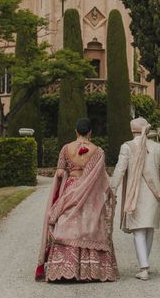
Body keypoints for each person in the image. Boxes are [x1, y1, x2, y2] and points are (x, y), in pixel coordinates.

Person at [36, 117, 119, 282]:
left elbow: (60, 172)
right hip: (90, 194)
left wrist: (69, 175)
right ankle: (92, 271)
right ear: (90, 132)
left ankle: (64, 268)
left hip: (71, 190)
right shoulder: (98, 151)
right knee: (89, 225)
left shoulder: (66, 149)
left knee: (66, 223)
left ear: (76, 131)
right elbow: (101, 177)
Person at [110, 117, 160, 281]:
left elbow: (120, 170)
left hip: (135, 194)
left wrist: (112, 188)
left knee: (138, 231)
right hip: (154, 194)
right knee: (148, 229)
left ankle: (143, 268)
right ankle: (144, 264)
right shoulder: (158, 147)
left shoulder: (127, 146)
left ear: (132, 130)